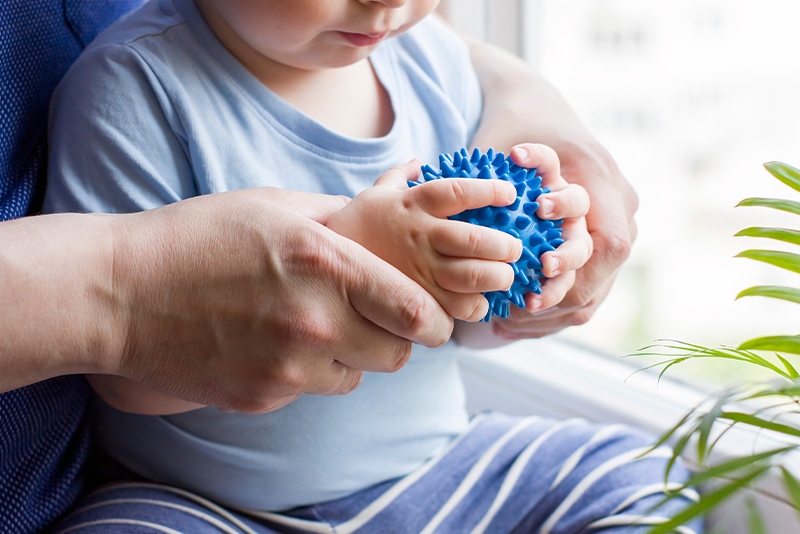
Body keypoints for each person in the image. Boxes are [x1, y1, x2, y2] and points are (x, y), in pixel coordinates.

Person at [37, 1, 701, 533]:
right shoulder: (132, 84)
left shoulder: (429, 59)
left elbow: (459, 325)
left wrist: (530, 283)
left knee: (642, 475)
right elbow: (123, 380)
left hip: (437, 468)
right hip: (208, 503)